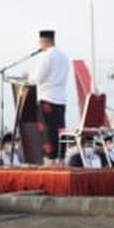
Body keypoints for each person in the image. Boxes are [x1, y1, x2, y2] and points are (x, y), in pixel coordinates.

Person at [27, 29, 70, 165]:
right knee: (60, 129)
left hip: (48, 97)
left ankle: (51, 160)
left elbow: (39, 78)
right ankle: (61, 158)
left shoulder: (46, 56)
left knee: (48, 130)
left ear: (44, 41)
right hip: (61, 98)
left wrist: (28, 77)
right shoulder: (64, 56)